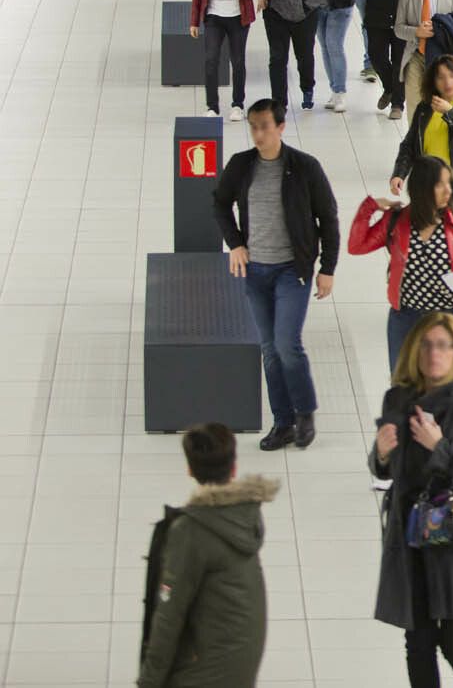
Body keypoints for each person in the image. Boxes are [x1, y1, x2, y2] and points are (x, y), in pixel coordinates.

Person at [371, 313, 453, 688]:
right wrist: (380, 456)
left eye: (444, 345)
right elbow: (386, 469)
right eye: (427, 345)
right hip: (411, 536)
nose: (435, 354)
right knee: (418, 640)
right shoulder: (397, 398)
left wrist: (440, 448)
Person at [213, 99, 339, 451]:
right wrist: (235, 244)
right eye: (253, 126)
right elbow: (220, 204)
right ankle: (283, 422)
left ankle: (305, 412)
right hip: (255, 272)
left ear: (281, 127)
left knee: (287, 344)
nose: (258, 133)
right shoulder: (241, 166)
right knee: (269, 350)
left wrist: (327, 268)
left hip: (291, 271)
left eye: (264, 126)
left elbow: (328, 218)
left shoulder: (304, 167)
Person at [138, 424, 276, 688]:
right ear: (233, 468)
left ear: (189, 469)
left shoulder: (190, 532)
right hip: (242, 664)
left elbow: (169, 615)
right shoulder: (245, 515)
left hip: (206, 672)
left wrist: (148, 682)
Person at [350, 156, 453, 368]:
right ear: (422, 187)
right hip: (406, 319)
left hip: (450, 318)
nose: (448, 190)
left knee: (449, 391)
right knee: (404, 389)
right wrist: (369, 207)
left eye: (449, 183)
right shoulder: (396, 221)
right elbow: (357, 246)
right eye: (440, 184)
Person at [391, 54, 453, 219]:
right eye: (441, 77)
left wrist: (450, 113)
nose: (447, 82)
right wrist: (399, 173)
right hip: (428, 189)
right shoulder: (425, 108)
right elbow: (409, 144)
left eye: (452, 76)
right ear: (433, 81)